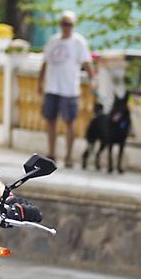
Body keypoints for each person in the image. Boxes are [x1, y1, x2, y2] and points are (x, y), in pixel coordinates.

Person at [39, 11, 96, 168]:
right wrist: (40, 82)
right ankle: (51, 153)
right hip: (52, 87)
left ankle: (69, 156)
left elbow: (87, 63)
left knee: (69, 122)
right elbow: (45, 62)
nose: (66, 27)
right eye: (64, 24)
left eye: (69, 24)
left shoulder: (78, 42)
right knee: (50, 121)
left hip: (69, 89)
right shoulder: (53, 41)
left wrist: (93, 79)